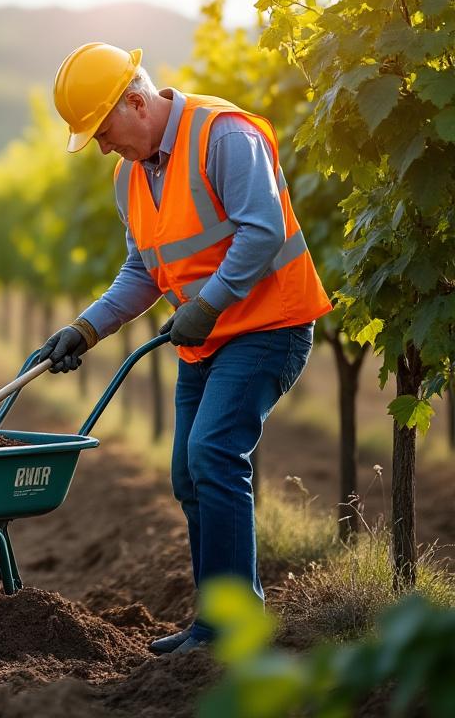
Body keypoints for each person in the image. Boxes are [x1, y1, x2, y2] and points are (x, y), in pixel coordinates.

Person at [41, 42, 331, 654]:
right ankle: (220, 619)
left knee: (213, 454)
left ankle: (229, 627)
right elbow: (141, 272)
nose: (99, 146)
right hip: (207, 340)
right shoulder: (131, 177)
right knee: (187, 472)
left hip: (269, 326)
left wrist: (208, 304)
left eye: (100, 128)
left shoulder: (223, 135)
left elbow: (263, 229)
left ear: (136, 102)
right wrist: (87, 328)